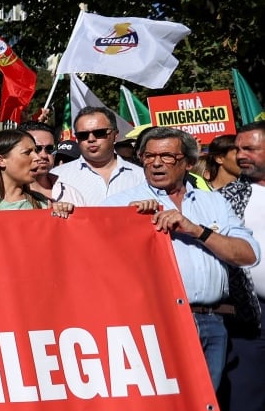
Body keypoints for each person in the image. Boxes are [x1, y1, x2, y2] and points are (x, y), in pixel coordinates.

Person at [106, 126, 258, 396]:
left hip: (213, 322)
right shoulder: (121, 205)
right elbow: (100, 264)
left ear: (189, 162)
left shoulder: (214, 202)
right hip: (157, 323)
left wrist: (197, 230)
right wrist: (127, 225)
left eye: (167, 157)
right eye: (148, 156)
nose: (156, 163)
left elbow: (247, 255)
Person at [223, 121, 265, 411]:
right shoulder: (231, 195)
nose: (241, 156)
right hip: (251, 309)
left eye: (250, 149)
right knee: (247, 385)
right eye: (239, 149)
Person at [0, 130, 74, 217]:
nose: (38, 157)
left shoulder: (43, 204)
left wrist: (62, 215)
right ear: (1, 160)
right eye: (27, 153)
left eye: (35, 151)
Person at [52, 106, 146, 205]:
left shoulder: (141, 177)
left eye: (99, 133)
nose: (91, 139)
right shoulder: (56, 177)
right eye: (83, 135)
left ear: (115, 135)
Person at [19, 121, 85, 205]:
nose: (44, 155)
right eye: (37, 149)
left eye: (49, 148)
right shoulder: (5, 194)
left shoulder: (71, 193)